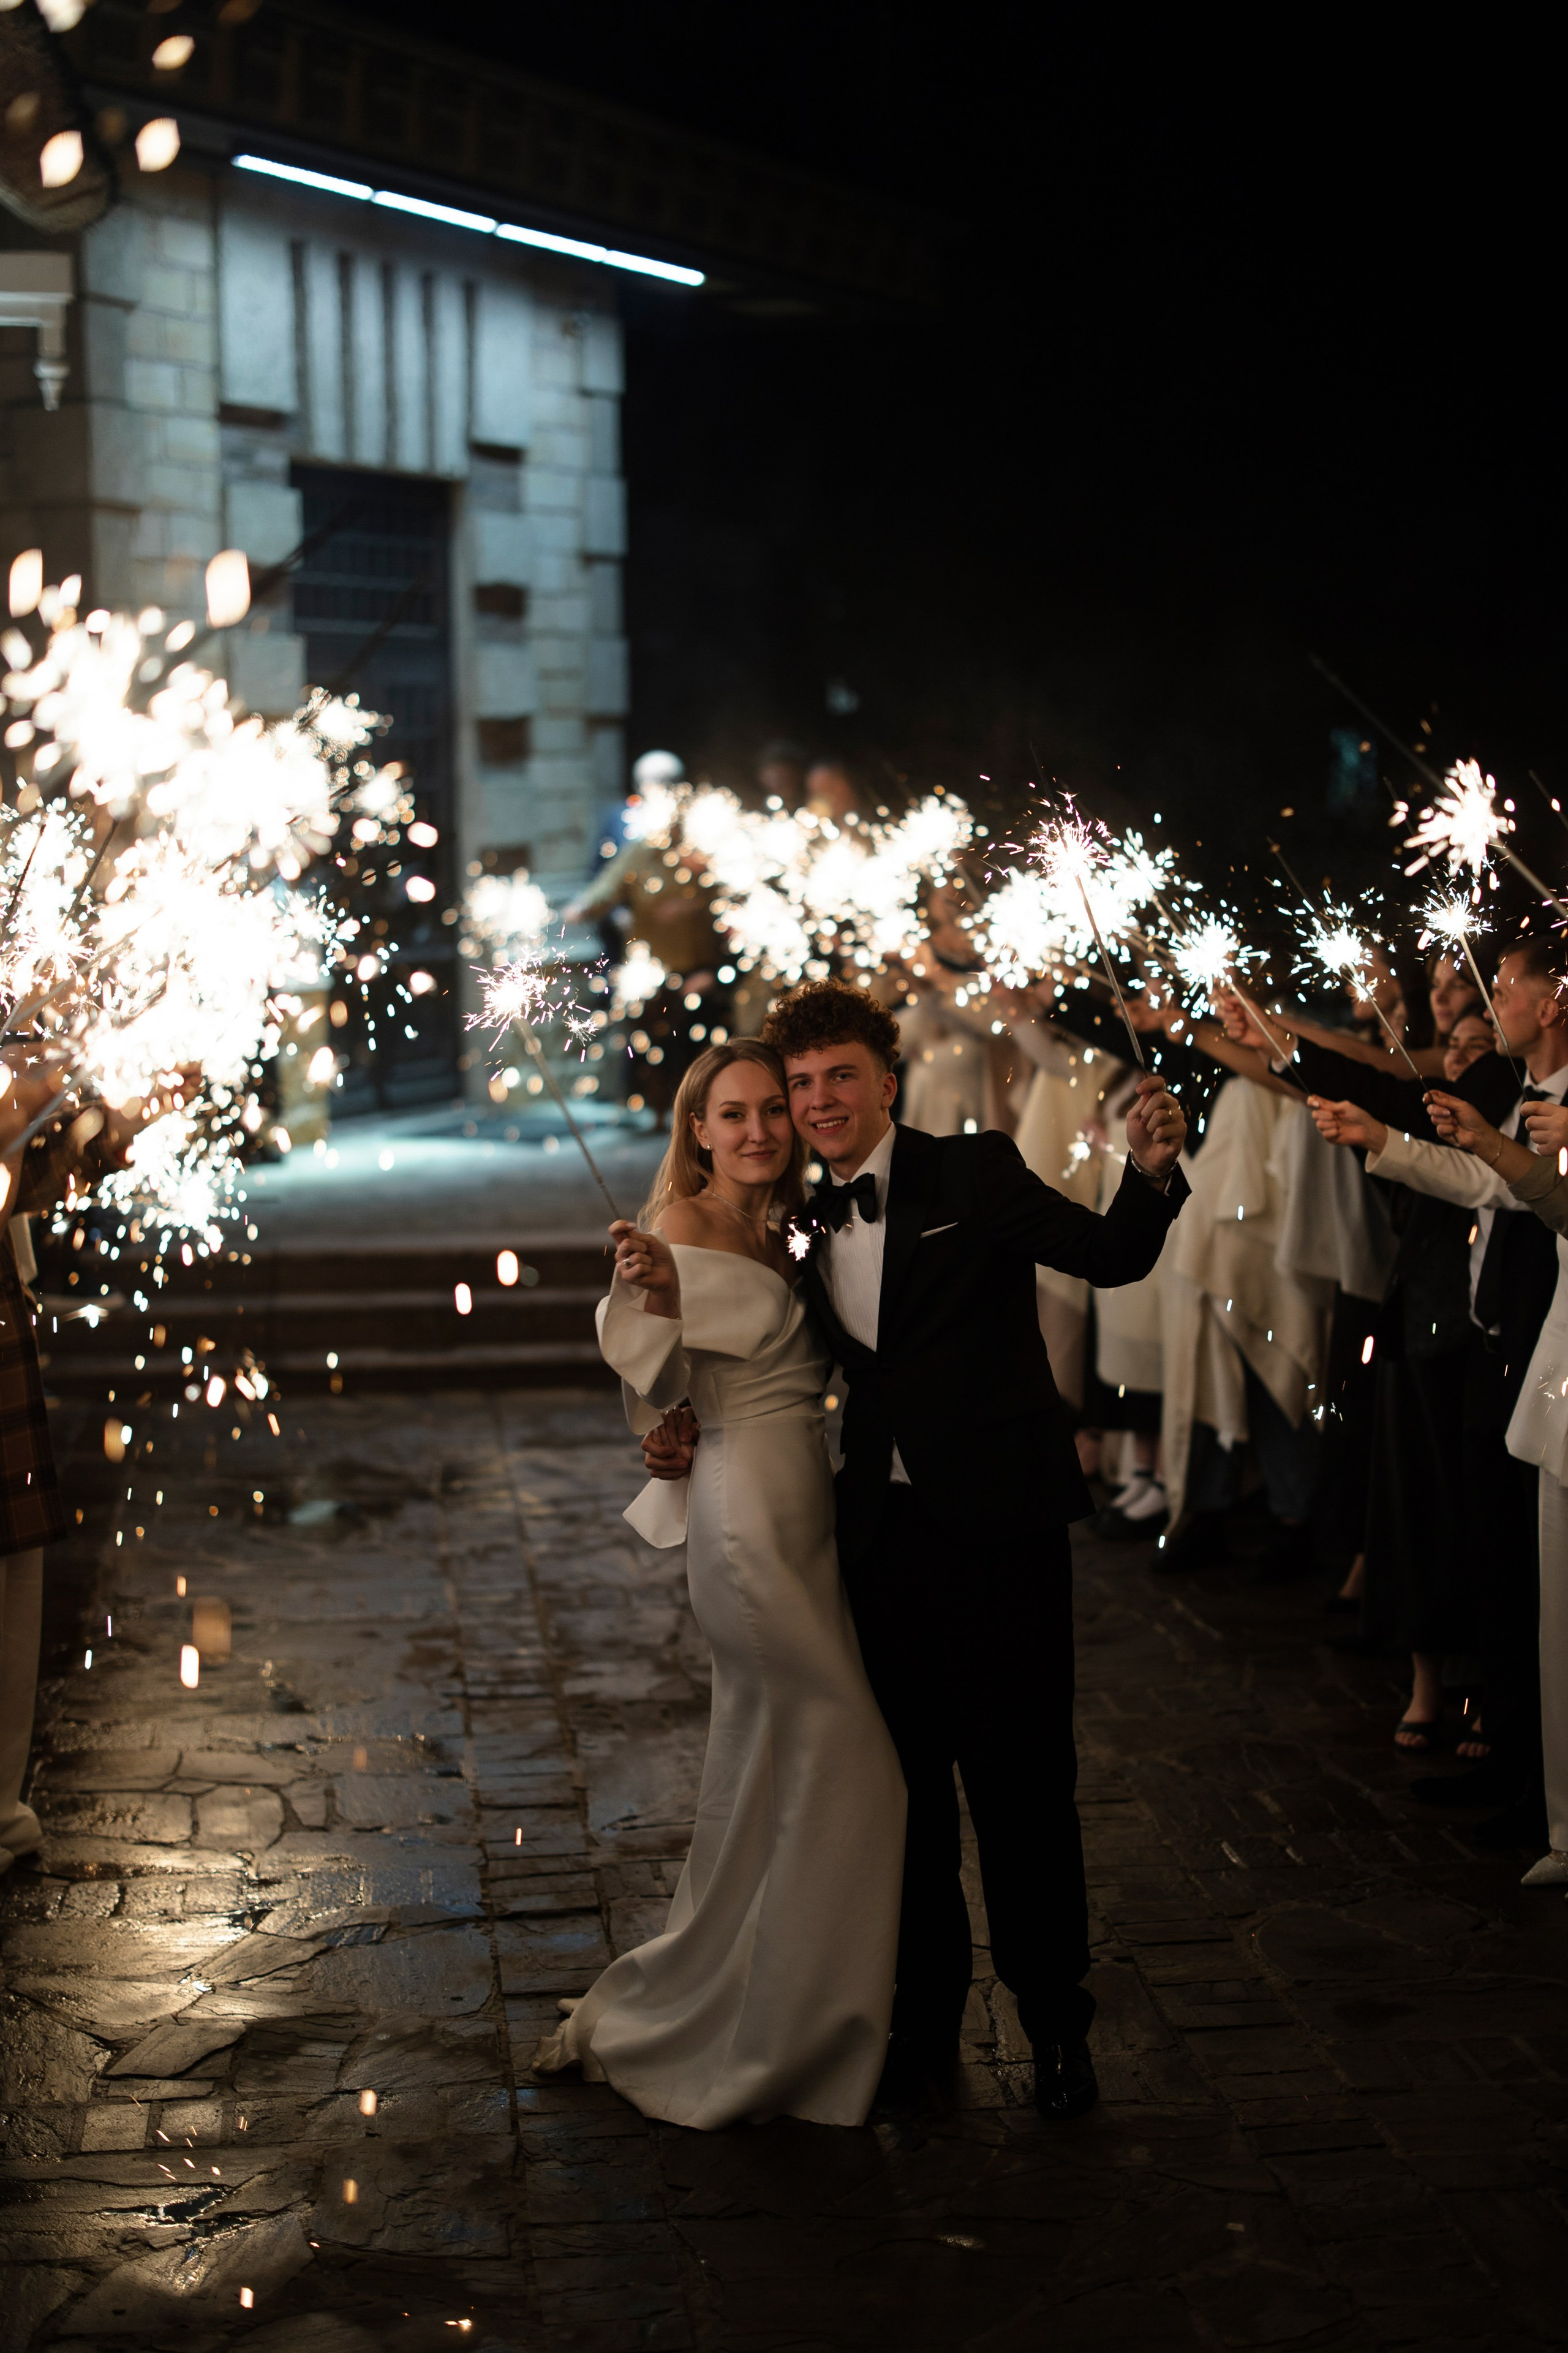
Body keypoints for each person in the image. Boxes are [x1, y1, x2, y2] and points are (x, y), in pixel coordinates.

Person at [760, 978, 1188, 2118]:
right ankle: (925, 2021)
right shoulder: (799, 1215)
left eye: (839, 1075)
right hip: (880, 1540)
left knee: (1025, 1784)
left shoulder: (972, 1168)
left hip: (1000, 1531)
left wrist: (1147, 1174)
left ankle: (1057, 2027)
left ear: (886, 1079)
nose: (819, 1101)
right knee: (904, 1794)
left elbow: (1108, 1255)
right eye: (801, 1084)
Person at [532, 1040, 906, 2129]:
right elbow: (646, 1368)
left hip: (809, 1505)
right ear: (696, 1128)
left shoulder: (790, 1223)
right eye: (731, 1114)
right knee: (854, 1763)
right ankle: (794, 2034)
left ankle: (747, 2003)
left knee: (770, 1772)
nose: (756, 1131)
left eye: (770, 1113)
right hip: (744, 1517)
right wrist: (651, 1295)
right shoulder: (681, 1229)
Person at [1419, 1083, 1568, 1886]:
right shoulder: (1533, 1103)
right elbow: (1518, 1191)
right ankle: (1555, 1809)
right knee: (1541, 1607)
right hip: (1546, 1378)